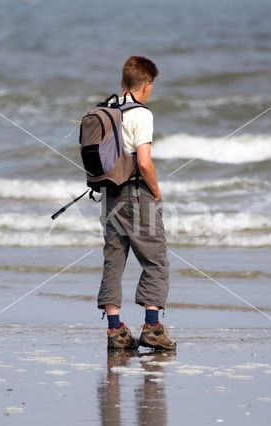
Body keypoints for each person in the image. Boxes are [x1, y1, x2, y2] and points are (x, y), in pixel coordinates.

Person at [96, 56, 176, 351]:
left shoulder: (108, 108)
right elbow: (143, 161)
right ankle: (153, 328)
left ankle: (115, 331)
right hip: (136, 193)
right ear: (147, 84)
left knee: (113, 259)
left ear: (122, 83)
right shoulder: (142, 114)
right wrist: (156, 191)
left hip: (110, 193)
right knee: (155, 259)